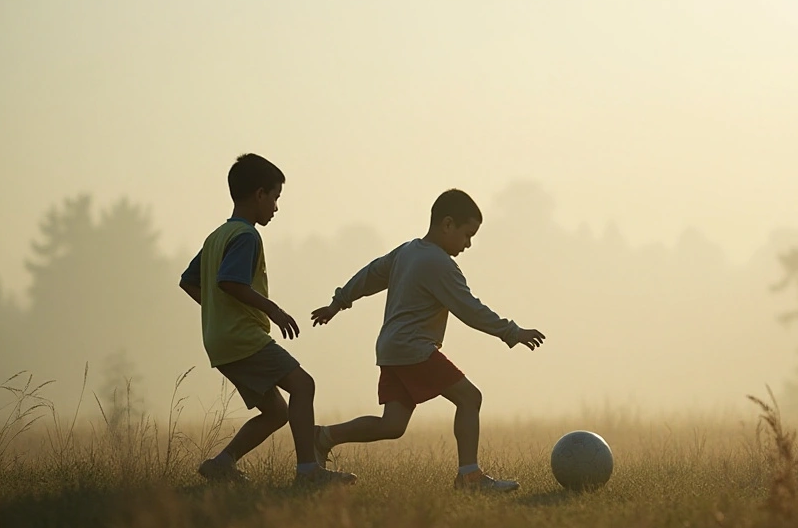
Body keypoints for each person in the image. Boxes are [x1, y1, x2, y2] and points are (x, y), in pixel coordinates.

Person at [309, 189, 545, 491]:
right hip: (413, 348)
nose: (468, 243)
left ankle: (323, 437)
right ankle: (469, 476)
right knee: (470, 398)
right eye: (467, 234)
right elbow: (469, 309)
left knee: (392, 425)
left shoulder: (407, 251)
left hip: (391, 348)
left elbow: (370, 275)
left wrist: (337, 303)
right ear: (447, 224)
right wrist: (513, 332)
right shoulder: (439, 264)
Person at [180, 153, 356, 486]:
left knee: (277, 412)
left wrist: (217, 310)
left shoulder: (217, 236)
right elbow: (229, 282)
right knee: (304, 385)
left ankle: (221, 464)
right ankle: (308, 471)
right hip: (242, 336)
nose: (275, 207)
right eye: (274, 197)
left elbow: (189, 280)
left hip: (219, 339)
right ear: (259, 194)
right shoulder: (246, 236)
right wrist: (272, 310)